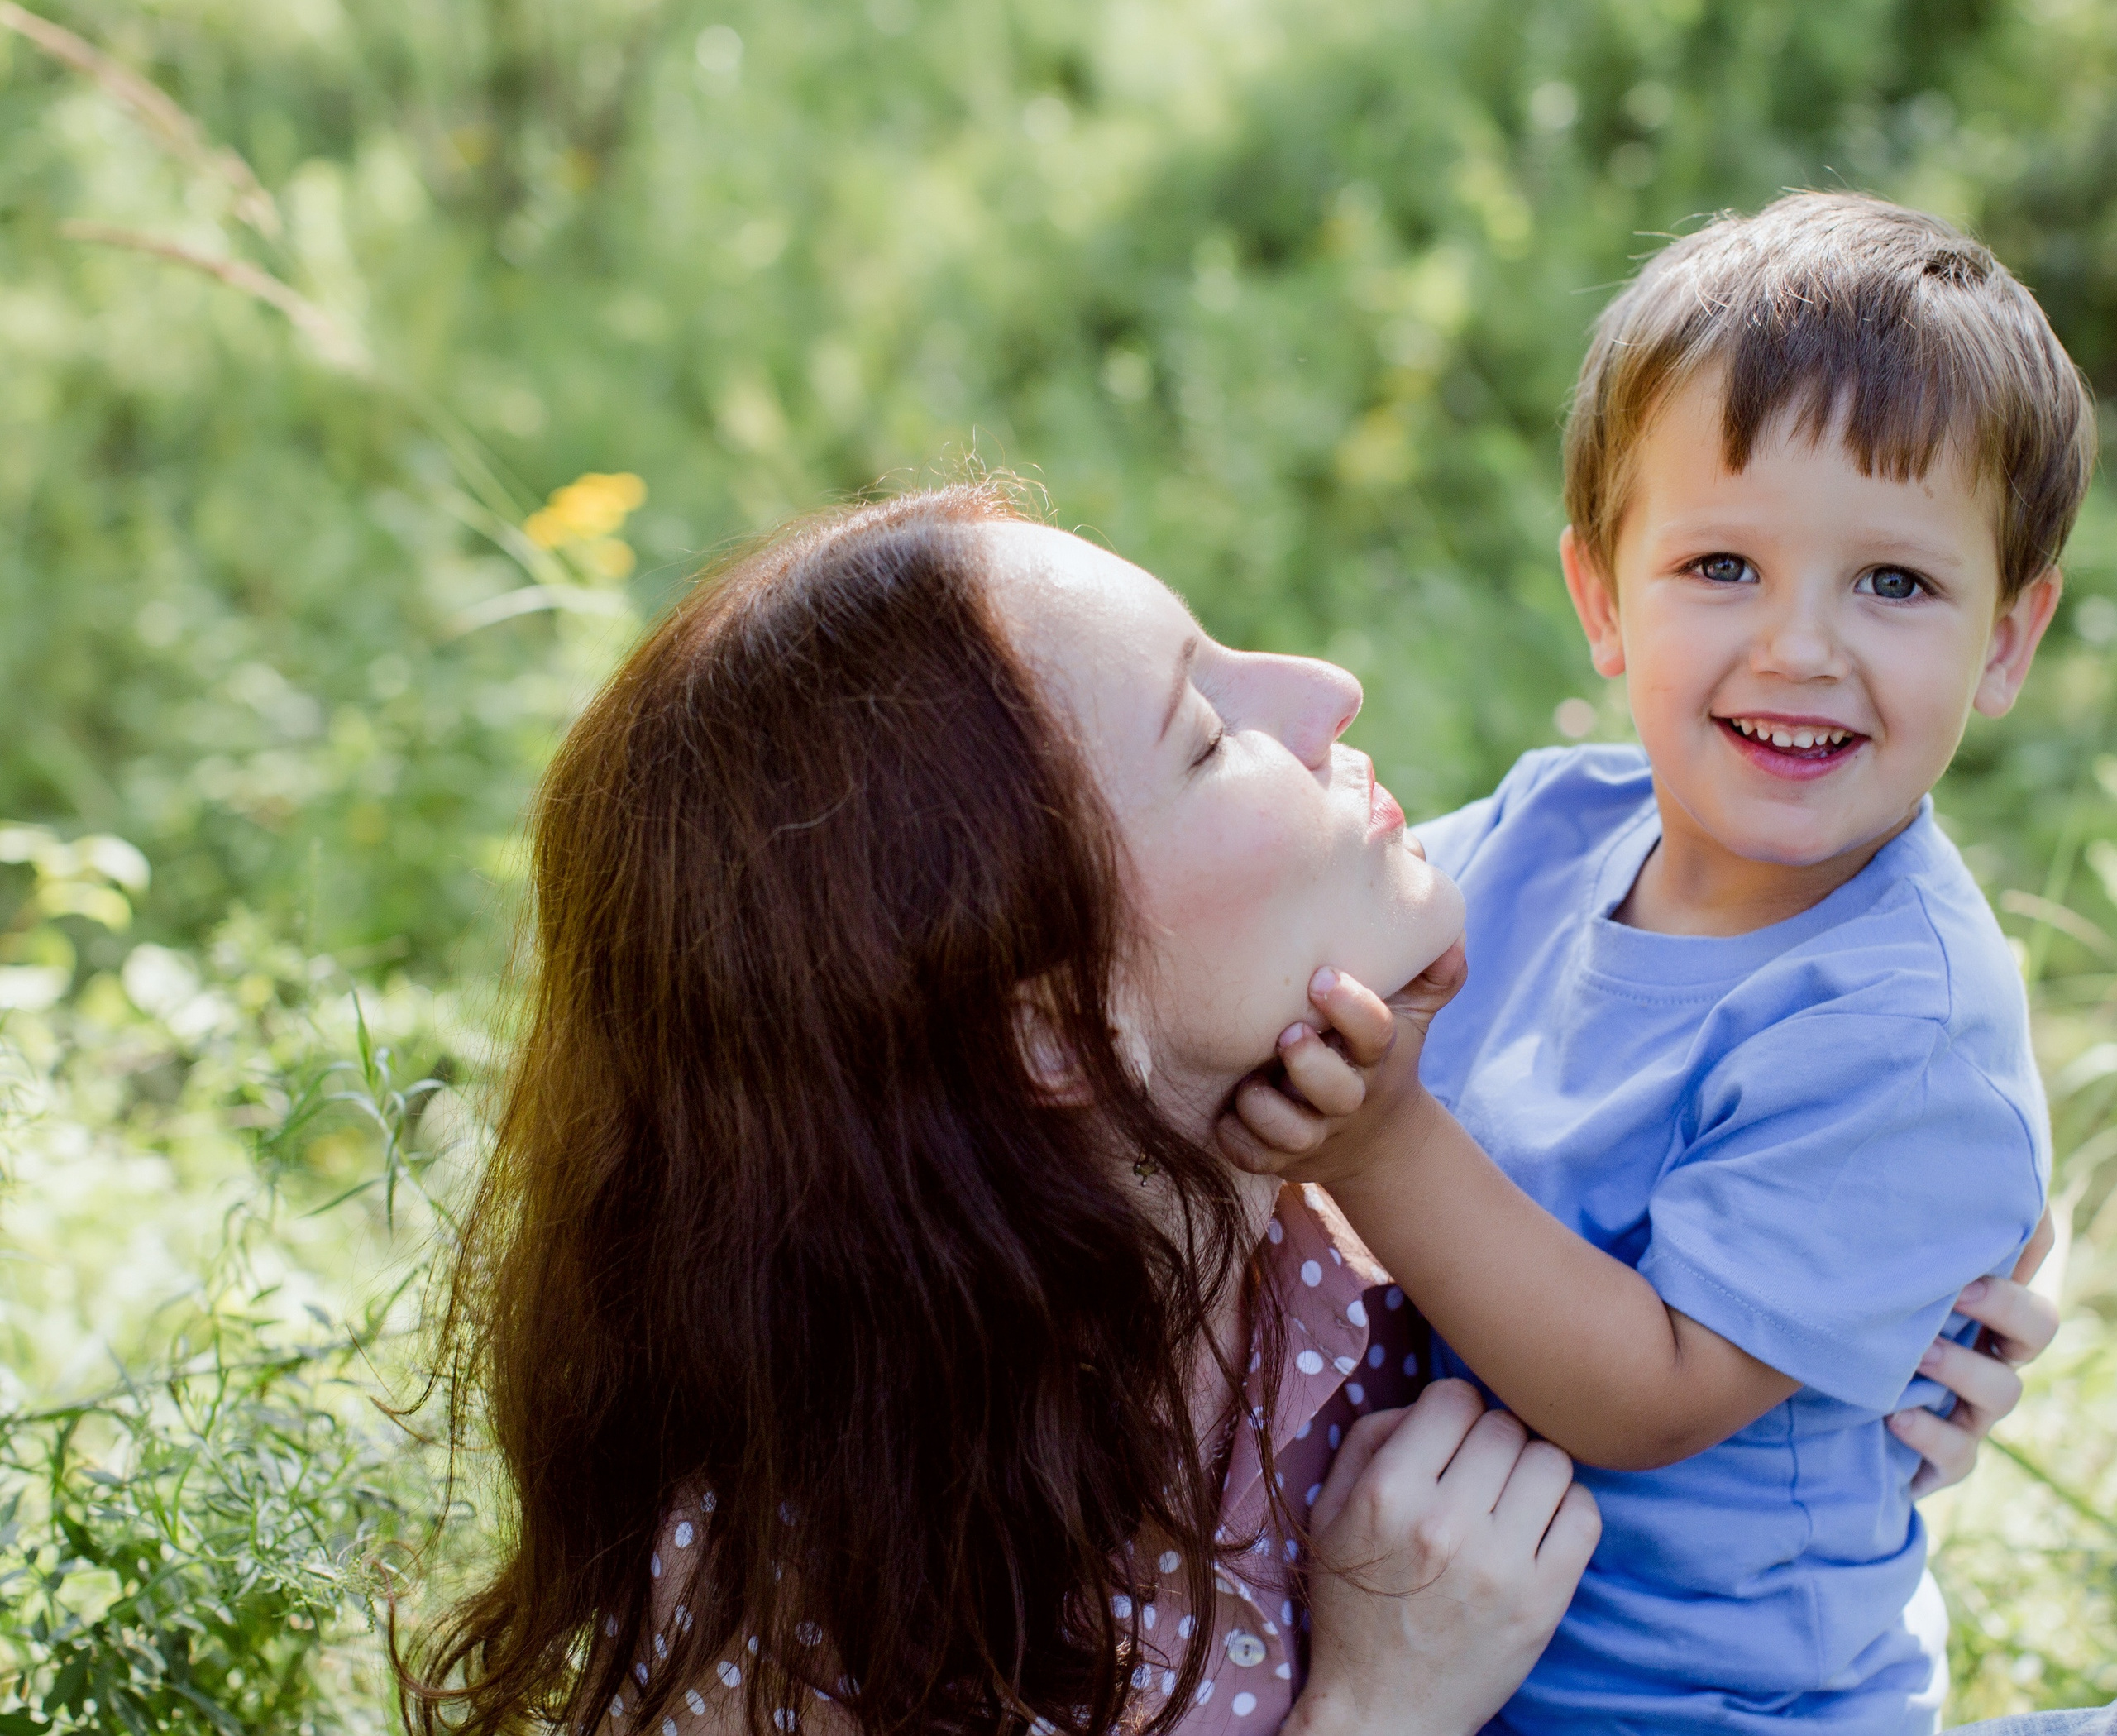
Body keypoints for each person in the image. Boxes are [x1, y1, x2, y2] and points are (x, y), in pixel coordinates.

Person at [398, 484, 2057, 1736]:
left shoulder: (1295, 1238)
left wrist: (1860, 1293)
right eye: (1205, 732)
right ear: (1044, 1023)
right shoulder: (812, 1581)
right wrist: (1376, 1710)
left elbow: (1658, 1260)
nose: (1325, 687)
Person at [1221, 194, 2096, 1732]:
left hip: (1696, 1705)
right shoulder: (1555, 828)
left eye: (1893, 583)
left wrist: (1381, 1136)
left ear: (2010, 641)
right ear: (1601, 599)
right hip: (1436, 1622)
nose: (1801, 646)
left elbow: (1659, 1391)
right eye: (1721, 567)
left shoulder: (1896, 1023)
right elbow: (1336, 950)